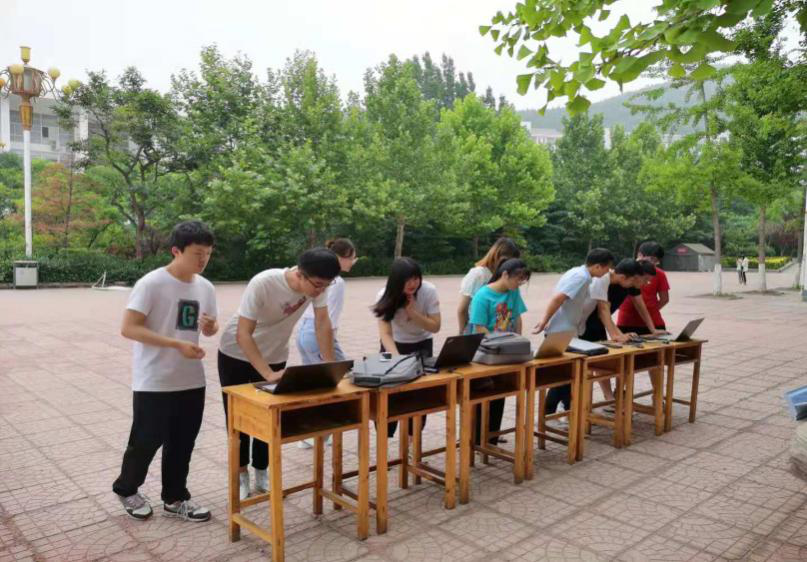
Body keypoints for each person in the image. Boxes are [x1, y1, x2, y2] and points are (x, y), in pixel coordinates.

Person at [112, 220, 218, 522]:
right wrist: (175, 344)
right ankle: (126, 489)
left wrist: (211, 327)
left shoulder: (206, 287)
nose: (203, 260)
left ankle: (175, 497)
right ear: (176, 251)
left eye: (208, 254)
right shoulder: (152, 284)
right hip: (155, 380)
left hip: (191, 379)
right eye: (197, 253)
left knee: (183, 442)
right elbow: (129, 328)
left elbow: (209, 329)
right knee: (146, 440)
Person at [218, 248, 340, 500]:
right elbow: (243, 333)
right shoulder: (264, 283)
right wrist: (267, 373)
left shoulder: (318, 286)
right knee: (238, 419)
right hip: (236, 354)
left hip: (275, 353)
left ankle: (262, 472)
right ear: (300, 274)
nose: (321, 291)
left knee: (269, 417)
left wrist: (329, 365)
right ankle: (240, 475)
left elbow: (322, 323)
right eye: (318, 285)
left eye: (326, 286)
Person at [533, 248, 614, 416]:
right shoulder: (581, 277)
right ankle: (554, 413)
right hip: (562, 331)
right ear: (597, 266)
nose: (608, 272)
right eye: (607, 268)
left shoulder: (577, 272)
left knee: (566, 375)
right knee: (566, 376)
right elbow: (558, 298)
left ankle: (562, 412)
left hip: (567, 330)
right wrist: (544, 321)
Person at [296, 238, 357, 449]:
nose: (354, 262)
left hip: (304, 332)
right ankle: (319, 432)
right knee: (337, 379)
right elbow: (326, 319)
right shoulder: (335, 282)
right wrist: (330, 347)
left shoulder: (322, 279)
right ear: (342, 258)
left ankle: (311, 433)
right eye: (352, 257)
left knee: (314, 384)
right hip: (316, 334)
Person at [373, 257, 441, 436]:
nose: (413, 284)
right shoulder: (384, 295)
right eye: (407, 280)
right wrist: (398, 359)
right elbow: (385, 334)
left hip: (421, 344)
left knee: (419, 395)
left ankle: (412, 442)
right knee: (387, 394)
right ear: (397, 281)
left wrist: (412, 312)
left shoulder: (428, 291)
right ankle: (384, 440)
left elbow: (435, 326)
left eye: (416, 278)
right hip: (391, 347)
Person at [468, 258, 530, 444]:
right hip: (486, 352)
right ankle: (477, 439)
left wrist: (518, 342)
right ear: (504, 274)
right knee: (484, 394)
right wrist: (499, 345)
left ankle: (492, 436)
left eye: (522, 281)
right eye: (518, 279)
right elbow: (479, 327)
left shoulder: (513, 292)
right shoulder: (482, 296)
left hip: (506, 351)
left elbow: (517, 318)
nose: (519, 283)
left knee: (500, 393)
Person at [457, 237, 520, 334]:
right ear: (496, 255)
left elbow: (515, 312)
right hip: (478, 330)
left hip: (501, 330)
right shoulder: (478, 274)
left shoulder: (506, 276)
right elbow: (462, 310)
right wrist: (462, 334)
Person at [618, 241, 670, 335]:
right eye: (652, 259)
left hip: (653, 322)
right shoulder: (627, 272)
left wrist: (651, 310)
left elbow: (664, 299)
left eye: (656, 261)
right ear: (640, 255)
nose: (653, 263)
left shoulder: (659, 274)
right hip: (627, 321)